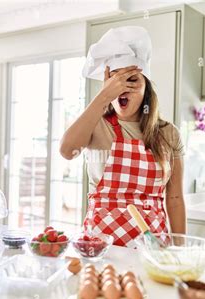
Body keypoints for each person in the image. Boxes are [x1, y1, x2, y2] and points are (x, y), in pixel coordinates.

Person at [60, 26, 186, 247]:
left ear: (146, 87)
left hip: (152, 248)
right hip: (100, 247)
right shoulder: (95, 124)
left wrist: (180, 249)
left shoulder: (168, 133)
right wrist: (103, 96)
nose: (122, 89)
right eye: (115, 82)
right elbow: (67, 151)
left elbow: (174, 199)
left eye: (131, 81)